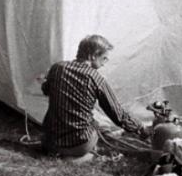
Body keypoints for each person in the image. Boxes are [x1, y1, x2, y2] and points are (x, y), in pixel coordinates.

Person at [40, 34, 148, 163]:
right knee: (95, 125)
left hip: (49, 140)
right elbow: (118, 116)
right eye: (104, 58)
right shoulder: (96, 78)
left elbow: (46, 90)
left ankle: (60, 155)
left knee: (91, 122)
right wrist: (141, 129)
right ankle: (82, 157)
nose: (104, 63)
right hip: (79, 144)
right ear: (93, 55)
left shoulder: (57, 68)